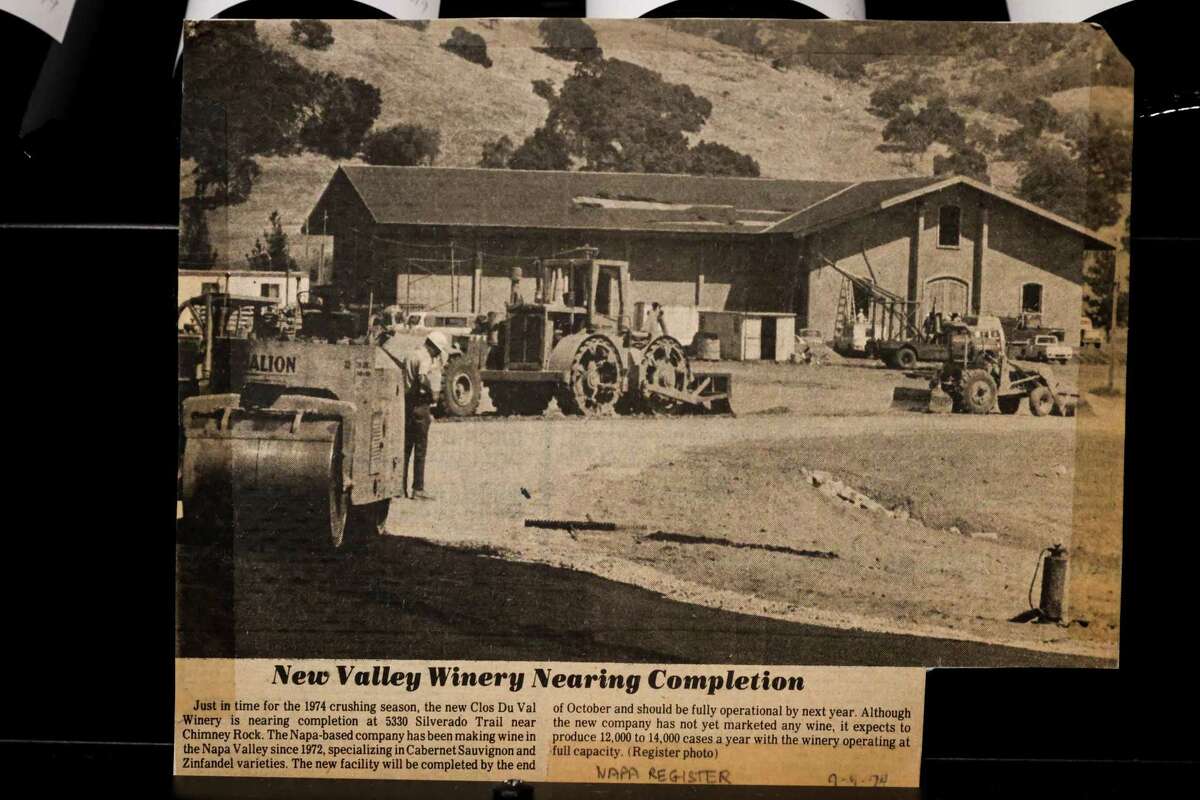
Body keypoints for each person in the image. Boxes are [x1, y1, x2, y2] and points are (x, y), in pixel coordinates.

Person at [402, 331, 450, 500]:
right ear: (434, 347)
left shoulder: (411, 353)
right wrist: (433, 394)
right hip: (420, 405)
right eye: (438, 350)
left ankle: (400, 488)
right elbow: (422, 378)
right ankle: (418, 489)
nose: (438, 354)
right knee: (420, 449)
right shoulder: (425, 358)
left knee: (405, 448)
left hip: (406, 404)